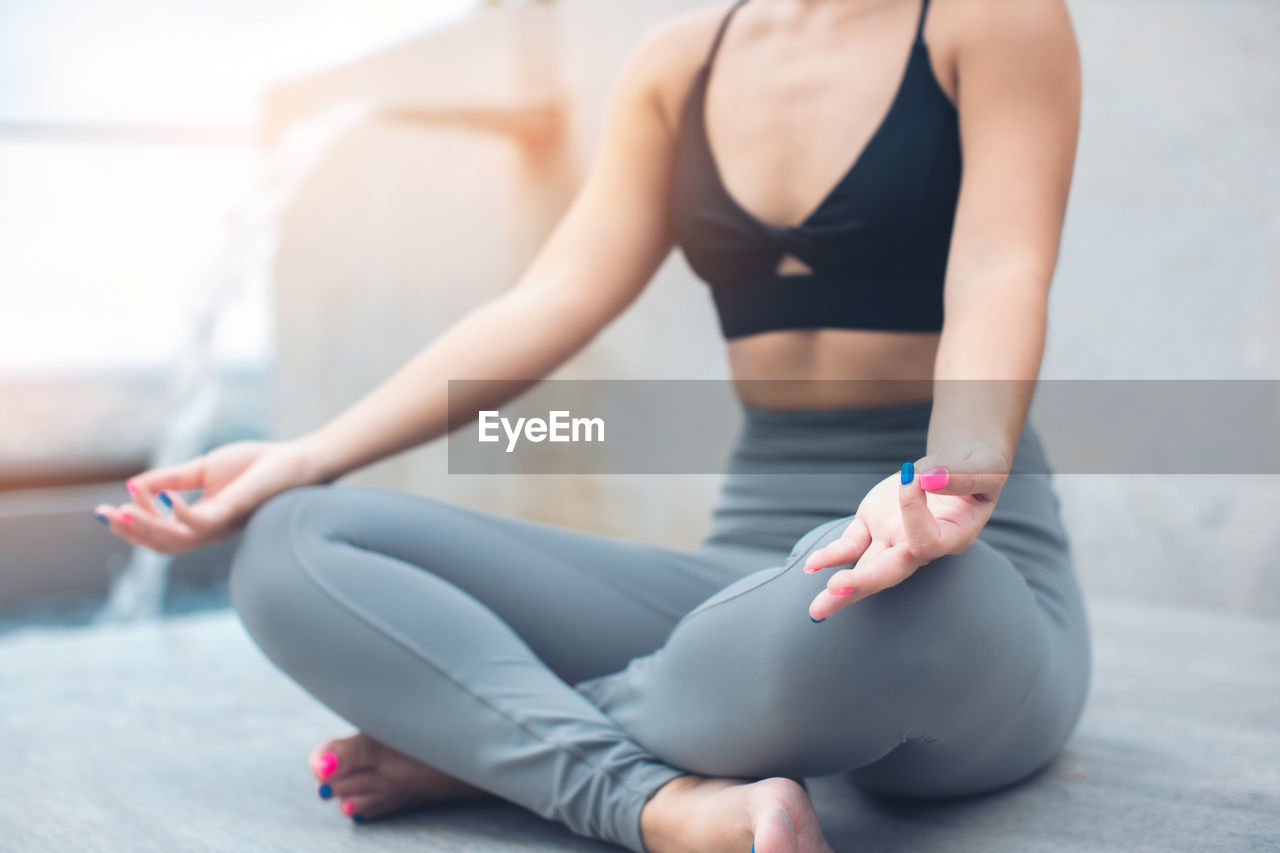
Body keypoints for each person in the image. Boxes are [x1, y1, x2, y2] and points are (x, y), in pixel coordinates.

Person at [93, 0, 1089, 850]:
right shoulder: (677, 63)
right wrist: (305, 454)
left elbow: (1000, 266)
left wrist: (949, 477)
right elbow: (553, 297)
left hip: (954, 567)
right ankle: (650, 802)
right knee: (294, 542)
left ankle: (491, 751)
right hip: (742, 576)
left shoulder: (985, 16)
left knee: (849, 616)